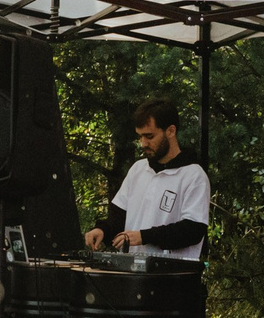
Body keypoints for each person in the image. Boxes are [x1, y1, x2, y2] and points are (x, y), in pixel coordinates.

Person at [87, 95, 210, 259]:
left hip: (173, 278)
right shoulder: (138, 169)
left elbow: (192, 231)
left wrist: (144, 236)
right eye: (140, 136)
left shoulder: (193, 175)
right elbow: (118, 219)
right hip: (134, 276)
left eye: (149, 136)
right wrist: (102, 230)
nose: (143, 143)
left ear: (171, 131)